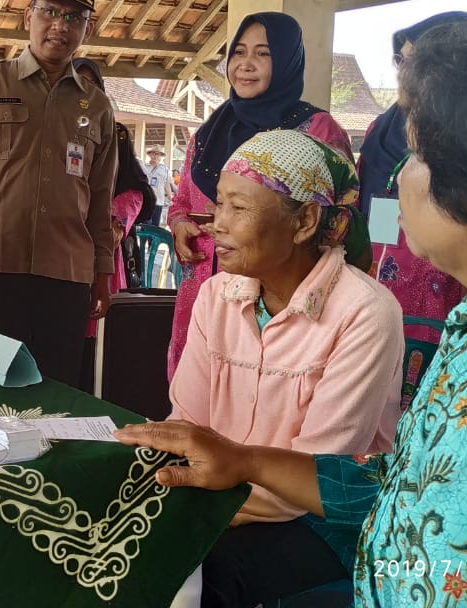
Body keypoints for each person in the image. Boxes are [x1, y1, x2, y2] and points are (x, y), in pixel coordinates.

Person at [119, 21, 467, 607]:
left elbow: (465, 580)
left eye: (420, 152)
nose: (396, 176)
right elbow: (399, 482)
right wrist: (242, 461)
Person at [171, 129, 402, 606]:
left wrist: (201, 510)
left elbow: (317, 473)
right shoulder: (216, 296)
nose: (217, 224)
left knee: (206, 568)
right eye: (218, 204)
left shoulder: (366, 312)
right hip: (221, 496)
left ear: (304, 222)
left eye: (239, 207)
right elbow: (187, 422)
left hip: (323, 521)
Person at [166, 12, 353, 381]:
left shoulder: (316, 131)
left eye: (263, 54)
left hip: (279, 299)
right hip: (203, 289)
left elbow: (338, 222)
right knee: (198, 392)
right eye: (238, 52)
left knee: (264, 396)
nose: (245, 65)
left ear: (287, 62)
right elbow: (182, 202)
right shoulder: (210, 132)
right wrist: (180, 224)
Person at [0, 0, 118, 391]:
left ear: (88, 27)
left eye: (74, 18)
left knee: (56, 388)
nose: (60, 26)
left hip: (65, 276)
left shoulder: (97, 106)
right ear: (27, 16)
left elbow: (101, 198)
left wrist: (103, 271)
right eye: (50, 11)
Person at [359, 12, 467, 376]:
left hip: (444, 271)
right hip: (380, 257)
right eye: (400, 59)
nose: (405, 69)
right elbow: (370, 197)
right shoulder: (381, 128)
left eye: (416, 59)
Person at [73, 58, 154, 376]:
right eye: (76, 81)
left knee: (95, 351)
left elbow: (125, 207)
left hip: (99, 260)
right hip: (61, 255)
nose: (84, 90)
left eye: (91, 84)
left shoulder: (117, 139)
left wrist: (109, 218)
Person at [141, 146, 173, 227]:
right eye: (153, 153)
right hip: (146, 200)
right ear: (150, 155)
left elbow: (167, 185)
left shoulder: (165, 169)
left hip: (159, 201)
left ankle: (153, 240)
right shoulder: (143, 167)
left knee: (155, 226)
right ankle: (143, 240)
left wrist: (171, 198)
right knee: (146, 224)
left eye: (158, 154)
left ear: (161, 156)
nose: (155, 155)